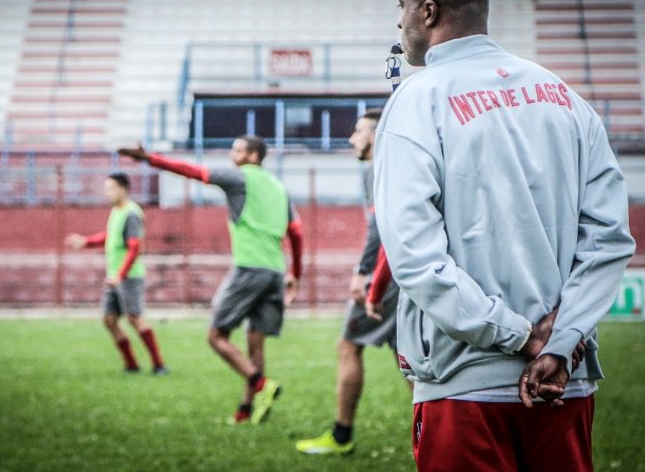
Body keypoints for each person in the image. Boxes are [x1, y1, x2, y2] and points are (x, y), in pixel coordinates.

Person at [374, 0, 635, 471]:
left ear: (427, 11)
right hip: (563, 381)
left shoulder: (417, 99)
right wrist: (558, 344)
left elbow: (416, 258)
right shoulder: (564, 96)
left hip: (464, 384)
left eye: (401, 6)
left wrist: (519, 336)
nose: (397, 21)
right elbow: (609, 238)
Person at [119, 136, 303, 424]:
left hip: (248, 269)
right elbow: (296, 232)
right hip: (274, 272)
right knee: (255, 344)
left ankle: (260, 384)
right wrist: (296, 274)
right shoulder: (280, 187)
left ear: (254, 156)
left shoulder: (240, 178)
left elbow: (192, 172)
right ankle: (246, 410)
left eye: (238, 150)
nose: (232, 155)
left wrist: (150, 158)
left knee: (216, 336)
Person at [295, 108, 405, 455]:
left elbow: (379, 227)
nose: (352, 138)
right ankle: (439, 435)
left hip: (384, 277)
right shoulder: (398, 169)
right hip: (405, 275)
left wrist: (362, 272)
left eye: (358, 131)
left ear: (374, 135)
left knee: (348, 345)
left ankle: (341, 436)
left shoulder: (378, 170)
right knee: (408, 359)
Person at [65, 172, 168, 375]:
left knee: (134, 319)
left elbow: (134, 247)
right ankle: (131, 365)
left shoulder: (131, 213)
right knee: (109, 320)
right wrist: (85, 242)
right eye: (106, 188)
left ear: (124, 188)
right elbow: (111, 236)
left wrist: (120, 275)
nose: (107, 193)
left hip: (128, 277)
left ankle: (159, 365)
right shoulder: (117, 211)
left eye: (111, 188)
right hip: (114, 277)